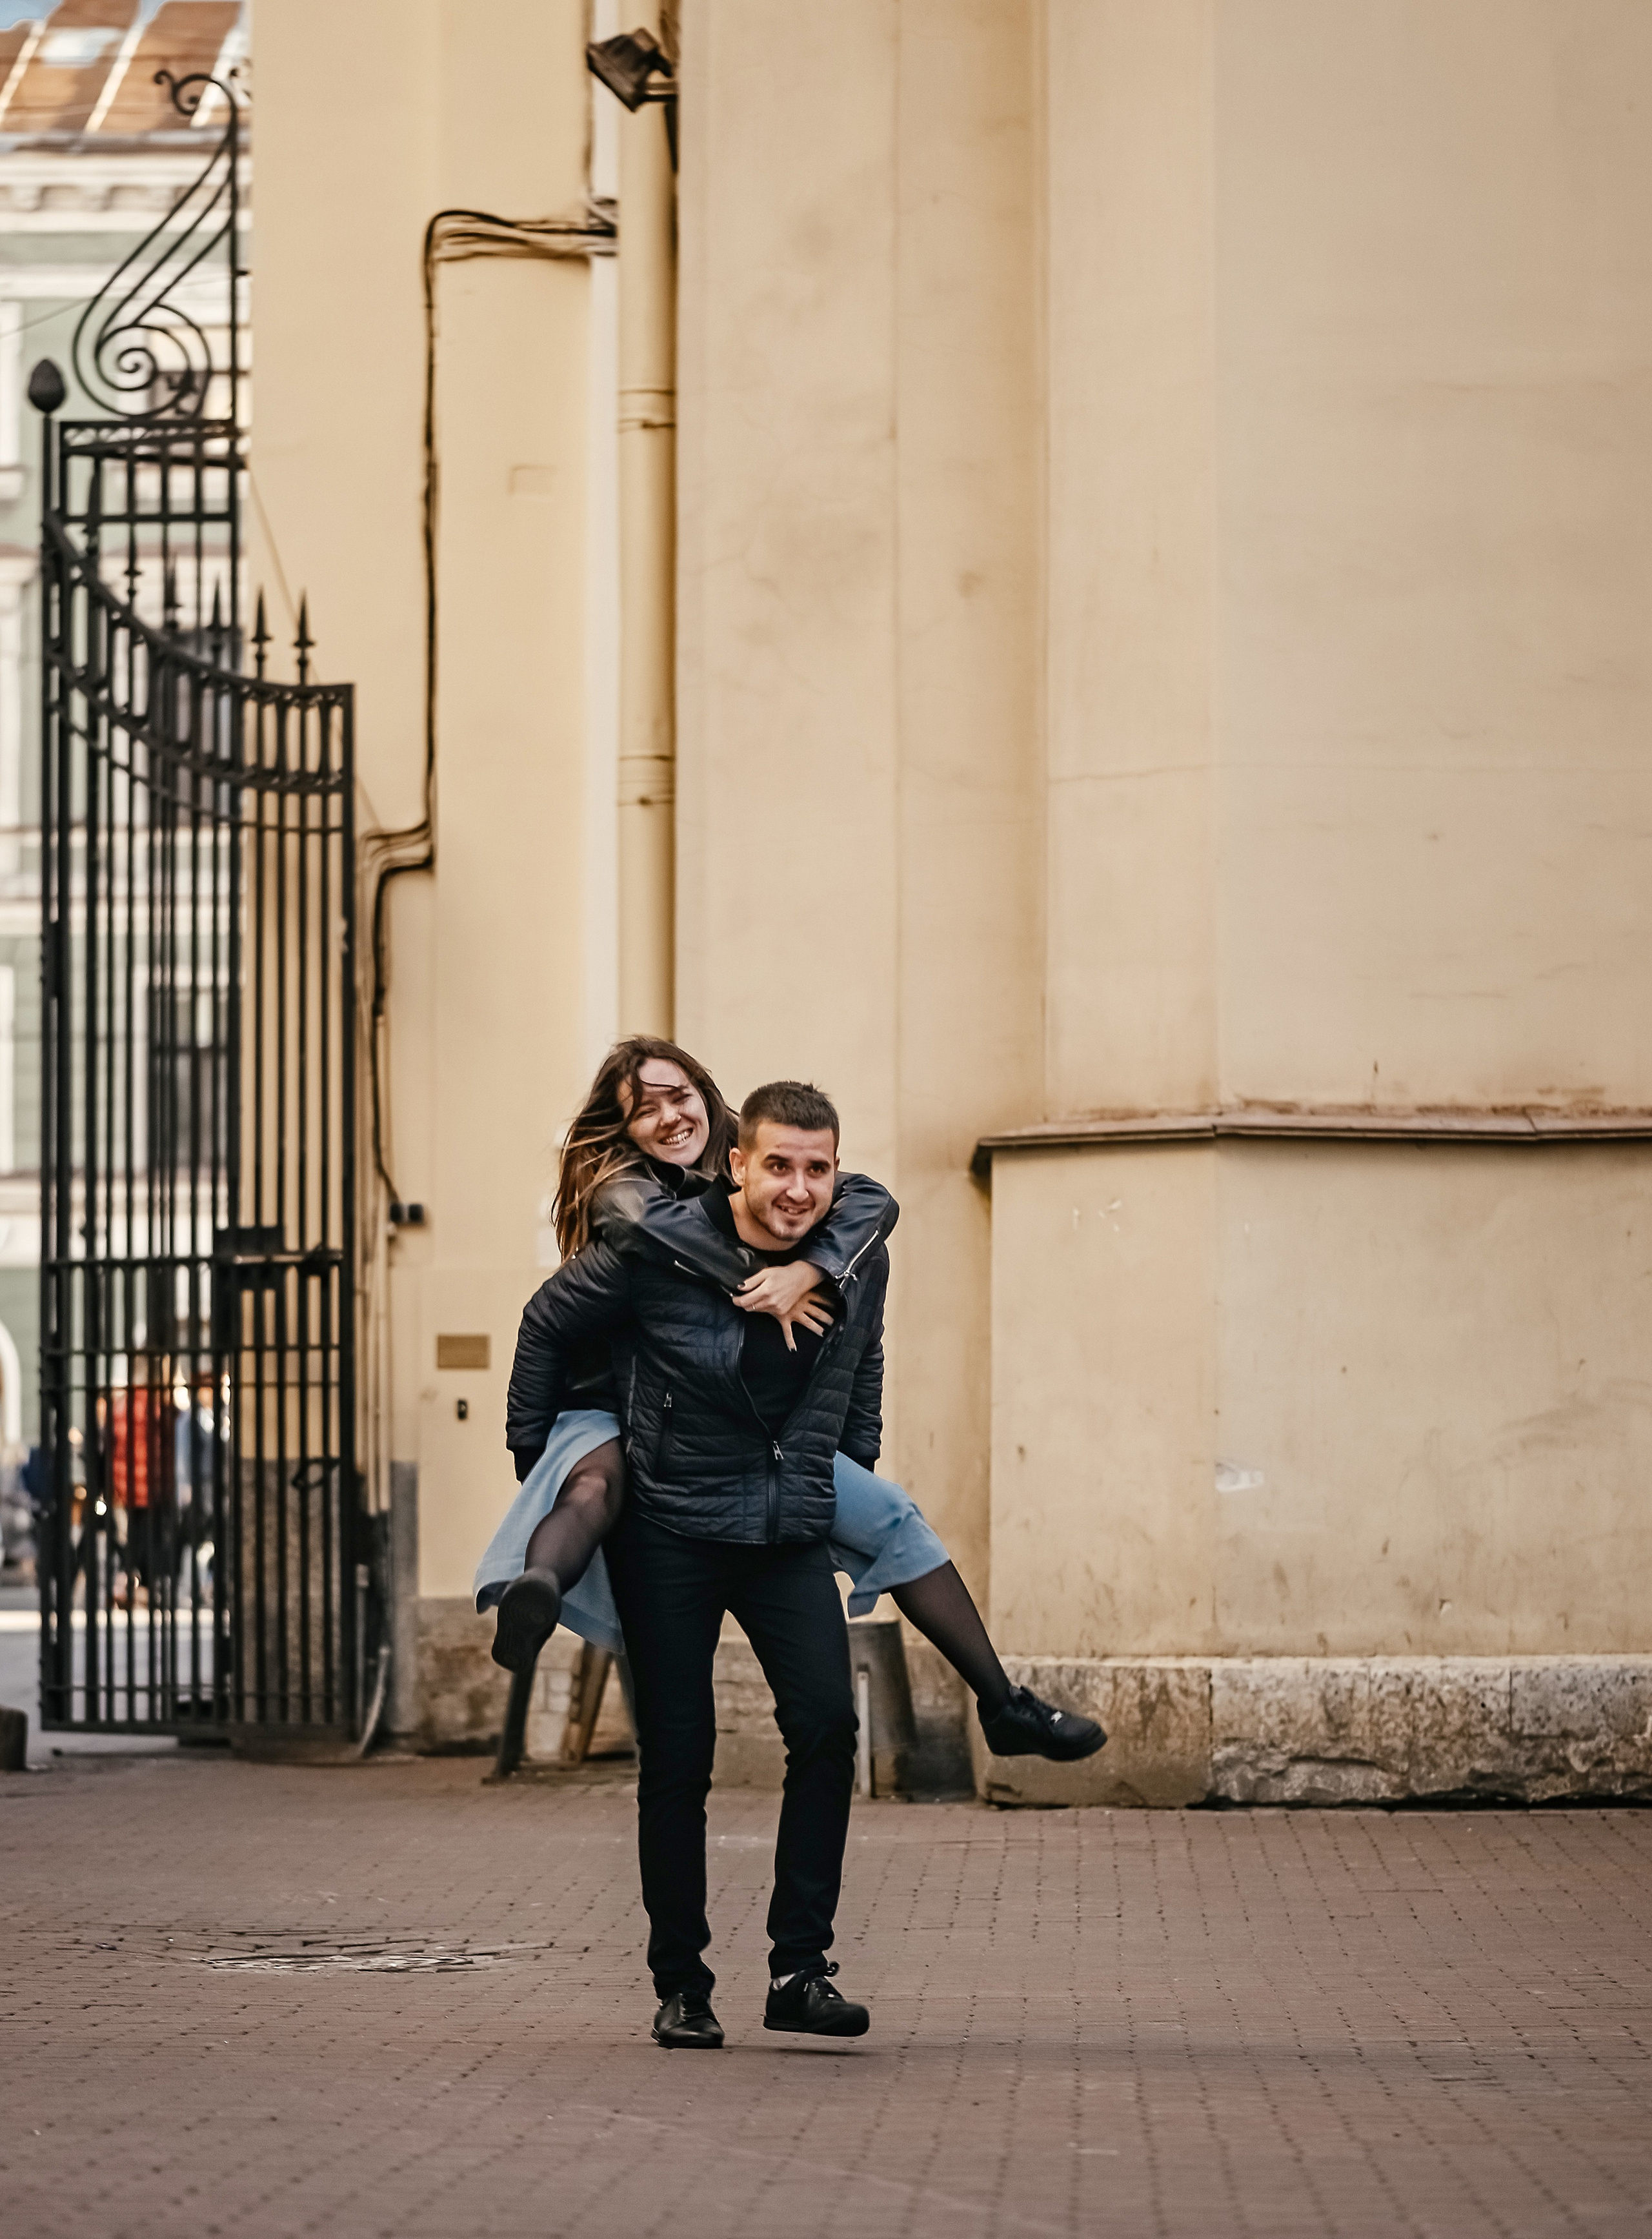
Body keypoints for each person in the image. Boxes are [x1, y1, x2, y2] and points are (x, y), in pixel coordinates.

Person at [477, 1037, 1105, 1770]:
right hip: (611, 1409)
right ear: (621, 1131)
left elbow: (869, 1210)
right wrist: (532, 1447)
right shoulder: (630, 1197)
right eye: (645, 1110)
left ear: (707, 1095)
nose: (671, 1117)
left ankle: (1004, 1704)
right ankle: (539, 1588)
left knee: (896, 1517)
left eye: (679, 1096)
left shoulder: (768, 1172)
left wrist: (813, 1269)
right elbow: (561, 1311)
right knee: (592, 1484)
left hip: (752, 1445)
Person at [507, 1080, 896, 2047]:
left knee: (825, 1730)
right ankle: (681, 1983)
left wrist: (857, 1456)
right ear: (737, 1162)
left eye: (817, 1167)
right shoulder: (660, 1246)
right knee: (679, 1761)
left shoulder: (851, 1256)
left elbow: (865, 1362)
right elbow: (546, 1322)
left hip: (784, 1532)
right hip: (670, 1533)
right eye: (778, 1165)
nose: (798, 1188)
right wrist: (537, 1458)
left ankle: (800, 1971)